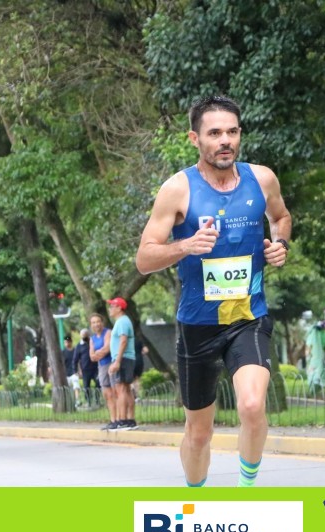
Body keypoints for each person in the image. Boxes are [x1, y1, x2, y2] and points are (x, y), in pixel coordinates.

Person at [135, 95, 292, 487]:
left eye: (232, 132)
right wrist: (186, 246)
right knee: (198, 434)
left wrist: (281, 244)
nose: (226, 141)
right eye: (215, 133)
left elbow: (281, 217)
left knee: (252, 405)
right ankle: (197, 496)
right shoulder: (177, 189)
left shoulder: (262, 179)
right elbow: (144, 258)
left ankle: (245, 491)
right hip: (198, 325)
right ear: (195, 138)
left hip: (248, 317)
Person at [107, 297, 137, 430]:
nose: (110, 309)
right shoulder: (122, 321)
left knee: (121, 389)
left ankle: (123, 420)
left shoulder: (122, 322)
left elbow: (123, 341)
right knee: (126, 388)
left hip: (123, 358)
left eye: (112, 306)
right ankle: (130, 420)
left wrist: (117, 361)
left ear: (119, 308)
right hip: (125, 358)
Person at [89, 313, 116, 429]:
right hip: (101, 366)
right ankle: (113, 419)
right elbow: (91, 356)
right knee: (107, 394)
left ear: (102, 322)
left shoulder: (108, 332)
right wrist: (97, 354)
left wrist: (97, 353)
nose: (96, 324)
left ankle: (119, 419)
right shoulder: (92, 338)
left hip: (111, 364)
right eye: (93, 322)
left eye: (98, 321)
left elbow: (107, 348)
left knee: (115, 393)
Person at [74, 328, 99, 407]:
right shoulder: (79, 346)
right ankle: (88, 401)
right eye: (83, 336)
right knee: (86, 387)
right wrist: (75, 371)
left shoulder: (93, 342)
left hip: (95, 368)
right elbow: (75, 359)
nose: (84, 337)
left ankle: (97, 400)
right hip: (85, 370)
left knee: (98, 383)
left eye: (86, 335)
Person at [62, 335, 81, 407]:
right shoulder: (63, 352)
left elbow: (78, 361)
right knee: (68, 388)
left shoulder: (75, 351)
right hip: (66, 373)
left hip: (74, 372)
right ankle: (70, 402)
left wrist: (79, 370)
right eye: (65, 342)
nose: (67, 343)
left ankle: (77, 400)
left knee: (76, 386)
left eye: (68, 342)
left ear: (71, 342)